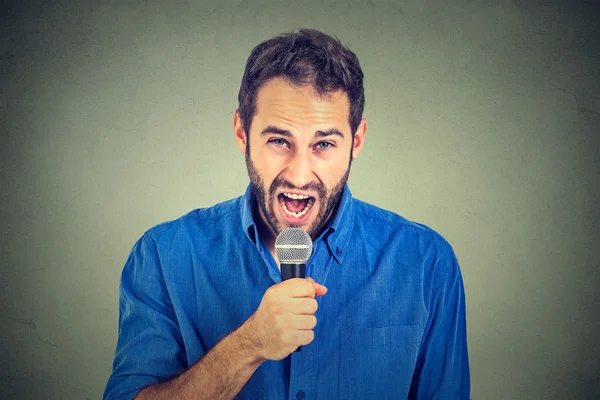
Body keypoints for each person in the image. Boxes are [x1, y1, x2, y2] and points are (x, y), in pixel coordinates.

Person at [104, 29, 470, 400]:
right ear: (242, 132)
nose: (298, 174)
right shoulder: (163, 256)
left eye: (323, 144)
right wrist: (248, 345)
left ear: (356, 141)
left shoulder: (426, 263)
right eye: (279, 141)